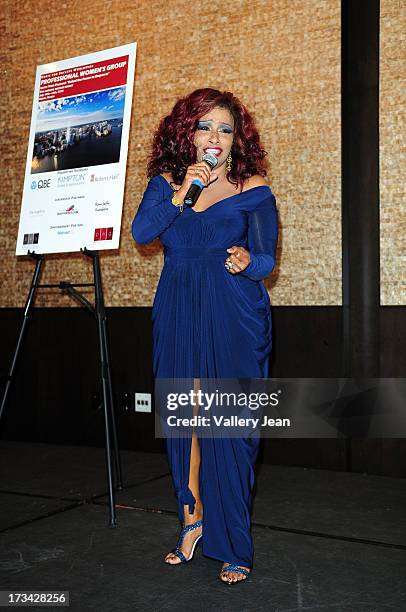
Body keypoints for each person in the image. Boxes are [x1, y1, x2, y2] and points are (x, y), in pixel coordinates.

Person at [131, 88, 278, 585]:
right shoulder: (166, 184)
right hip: (178, 308)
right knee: (185, 421)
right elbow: (142, 234)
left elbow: (266, 257)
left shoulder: (252, 185)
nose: (214, 137)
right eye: (204, 126)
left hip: (232, 311)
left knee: (228, 427)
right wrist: (180, 194)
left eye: (224, 129)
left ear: (237, 139)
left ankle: (234, 543)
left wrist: (248, 263)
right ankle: (191, 523)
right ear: (186, 133)